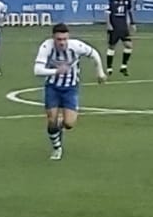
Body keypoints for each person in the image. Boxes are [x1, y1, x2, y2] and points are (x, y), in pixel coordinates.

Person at [32, 22, 107, 161]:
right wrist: (56, 71)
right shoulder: (46, 47)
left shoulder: (76, 46)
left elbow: (94, 54)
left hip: (71, 88)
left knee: (69, 124)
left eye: (65, 39)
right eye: (59, 39)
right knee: (51, 119)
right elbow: (37, 70)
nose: (62, 42)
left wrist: (100, 72)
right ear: (53, 38)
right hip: (52, 87)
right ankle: (57, 148)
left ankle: (60, 127)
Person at [106, 0, 136, 77]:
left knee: (129, 46)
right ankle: (109, 67)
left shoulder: (127, 1)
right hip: (114, 27)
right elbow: (107, 14)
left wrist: (132, 23)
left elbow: (130, 12)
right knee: (112, 47)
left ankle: (123, 66)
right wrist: (109, 25)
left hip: (123, 27)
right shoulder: (112, 1)